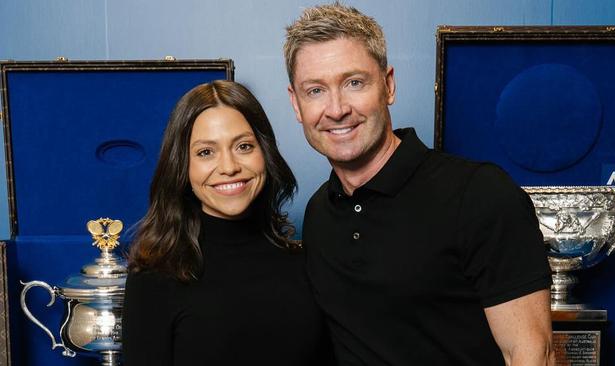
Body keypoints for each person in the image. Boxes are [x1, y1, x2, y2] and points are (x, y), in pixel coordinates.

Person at [284, 3, 554, 365]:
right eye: (315, 90)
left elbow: (531, 354)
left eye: (354, 83)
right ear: (296, 105)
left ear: (388, 85)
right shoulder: (319, 213)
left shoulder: (479, 194)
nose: (336, 109)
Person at [122, 80, 333, 365]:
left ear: (265, 153)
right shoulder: (155, 276)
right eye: (206, 152)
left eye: (244, 146)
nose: (229, 167)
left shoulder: (306, 262)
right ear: (182, 165)